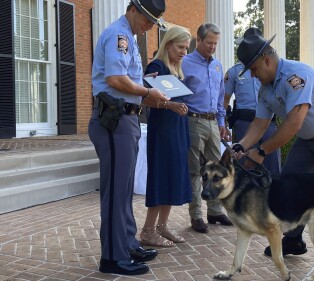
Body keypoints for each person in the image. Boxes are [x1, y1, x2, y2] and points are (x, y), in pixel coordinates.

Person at [233, 31, 314, 272]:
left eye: (252, 67)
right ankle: (293, 240)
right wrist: (241, 145)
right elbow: (259, 124)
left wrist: (261, 151)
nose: (251, 73)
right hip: (308, 139)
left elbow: (294, 122)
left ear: (267, 60)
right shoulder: (265, 89)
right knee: (288, 183)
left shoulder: (296, 75)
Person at [88, 0, 170, 275]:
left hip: (126, 118)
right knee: (115, 192)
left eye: (153, 22)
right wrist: (148, 93)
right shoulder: (119, 35)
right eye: (147, 19)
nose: (149, 26)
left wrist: (146, 84)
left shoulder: (130, 37)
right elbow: (115, 79)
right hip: (114, 119)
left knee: (124, 190)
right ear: (132, 9)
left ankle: (126, 242)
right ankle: (112, 256)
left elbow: (127, 80)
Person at [139, 26, 191, 247]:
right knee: (161, 176)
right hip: (163, 132)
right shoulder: (156, 66)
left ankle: (162, 226)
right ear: (168, 43)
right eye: (180, 47)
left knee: (172, 176)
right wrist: (169, 105)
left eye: (187, 48)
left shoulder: (176, 69)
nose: (184, 52)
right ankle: (148, 230)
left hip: (178, 129)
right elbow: (144, 98)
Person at [181, 23, 232, 233]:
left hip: (213, 122)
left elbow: (221, 98)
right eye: (209, 42)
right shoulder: (185, 63)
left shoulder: (218, 66)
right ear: (198, 40)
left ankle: (215, 210)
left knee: (217, 168)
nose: (212, 47)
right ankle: (196, 215)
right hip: (193, 121)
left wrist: (221, 123)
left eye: (215, 43)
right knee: (195, 170)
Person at [224, 27, 281, 177]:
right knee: (245, 167)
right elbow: (224, 99)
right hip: (244, 122)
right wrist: (222, 123)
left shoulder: (273, 69)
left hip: (268, 122)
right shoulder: (233, 72)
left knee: (272, 166)